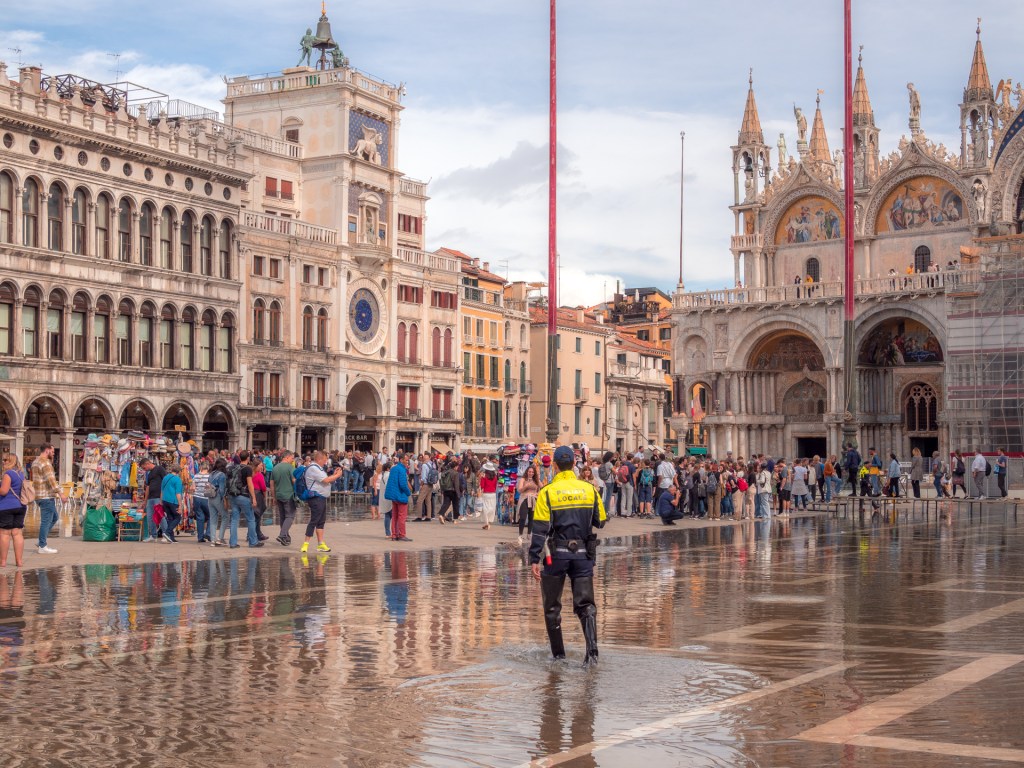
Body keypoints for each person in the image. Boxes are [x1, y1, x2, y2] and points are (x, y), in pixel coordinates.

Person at [529, 445, 607, 666]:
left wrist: (534, 558)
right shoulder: (589, 489)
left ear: (554, 465)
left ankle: (558, 656)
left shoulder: (548, 492)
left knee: (552, 606)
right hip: (583, 555)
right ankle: (592, 653)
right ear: (574, 464)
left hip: (556, 555)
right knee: (586, 605)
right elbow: (600, 520)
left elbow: (540, 529)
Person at [300, 450, 342, 554]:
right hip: (316, 498)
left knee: (321, 521)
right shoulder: (314, 468)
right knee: (314, 520)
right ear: (319, 459)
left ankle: (321, 543)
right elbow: (326, 480)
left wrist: (334, 474)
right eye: (325, 459)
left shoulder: (319, 468)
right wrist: (337, 475)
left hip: (321, 498)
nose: (326, 461)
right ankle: (305, 544)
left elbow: (326, 478)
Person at [30, 444, 66, 554]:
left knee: (54, 517)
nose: (54, 453)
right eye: (52, 451)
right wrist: (61, 494)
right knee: (46, 521)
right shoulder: (45, 462)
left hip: (38, 495)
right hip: (46, 496)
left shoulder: (35, 461)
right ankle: (42, 546)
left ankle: (41, 539)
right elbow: (51, 480)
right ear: (47, 450)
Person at [228, 450, 262, 549]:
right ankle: (253, 541)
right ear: (248, 458)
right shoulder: (247, 469)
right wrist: (254, 498)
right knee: (251, 519)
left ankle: (233, 543)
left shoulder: (233, 467)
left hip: (233, 495)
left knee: (234, 520)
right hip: (243, 496)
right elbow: (250, 484)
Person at [0, 453, 27, 567]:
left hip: (7, 506)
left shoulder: (8, 474)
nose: (3, 462)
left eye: (5, 460)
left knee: (4, 533)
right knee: (17, 534)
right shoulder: (20, 474)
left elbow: (4, 491)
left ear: (10, 461)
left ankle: (3, 561)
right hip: (20, 506)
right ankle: (19, 562)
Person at [269, 450, 296, 546]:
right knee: (290, 516)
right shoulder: (290, 468)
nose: (292, 460)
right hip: (288, 495)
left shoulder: (275, 468)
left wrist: (274, 497)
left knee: (282, 517)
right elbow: (294, 481)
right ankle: (282, 535)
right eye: (292, 458)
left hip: (279, 495)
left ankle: (285, 537)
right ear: (287, 457)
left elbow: (272, 484)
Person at [384, 451, 412, 541]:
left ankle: (394, 534)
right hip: (401, 495)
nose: (407, 462)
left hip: (393, 495)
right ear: (401, 460)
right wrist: (408, 493)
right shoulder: (402, 469)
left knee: (395, 515)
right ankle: (402, 534)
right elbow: (403, 484)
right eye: (406, 460)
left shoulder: (393, 468)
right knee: (402, 516)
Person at [140, 456, 164, 543]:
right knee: (150, 517)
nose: (144, 469)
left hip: (158, 497)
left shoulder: (159, 469)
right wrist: (145, 500)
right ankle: (153, 535)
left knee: (160, 516)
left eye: (144, 467)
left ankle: (166, 534)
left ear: (147, 463)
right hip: (150, 498)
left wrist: (162, 496)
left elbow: (165, 482)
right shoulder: (149, 474)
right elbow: (148, 487)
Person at [516, 464, 541, 545]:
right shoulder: (523, 479)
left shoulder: (536, 480)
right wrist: (525, 487)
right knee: (523, 517)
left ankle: (529, 534)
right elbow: (519, 490)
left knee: (531, 517)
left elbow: (542, 487)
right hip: (524, 498)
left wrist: (538, 493)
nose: (531, 473)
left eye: (532, 472)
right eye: (529, 472)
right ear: (527, 472)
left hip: (533, 499)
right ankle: (520, 534)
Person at [159, 465, 184, 543]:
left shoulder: (165, 478)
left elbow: (162, 490)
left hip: (165, 500)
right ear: (179, 471)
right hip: (173, 501)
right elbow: (178, 493)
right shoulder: (177, 479)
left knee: (170, 518)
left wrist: (161, 501)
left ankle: (171, 537)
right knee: (177, 517)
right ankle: (167, 532)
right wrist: (180, 505)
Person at [208, 458, 228, 546]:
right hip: (217, 497)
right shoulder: (222, 475)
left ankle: (212, 540)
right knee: (225, 516)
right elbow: (222, 489)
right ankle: (220, 538)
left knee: (213, 519)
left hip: (210, 497)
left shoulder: (211, 474)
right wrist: (224, 499)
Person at [192, 460, 212, 543]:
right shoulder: (210, 477)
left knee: (200, 517)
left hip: (196, 498)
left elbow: (192, 488)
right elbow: (210, 489)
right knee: (211, 516)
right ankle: (208, 533)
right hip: (206, 498)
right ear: (208, 467)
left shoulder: (195, 476)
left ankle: (200, 537)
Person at [415, 452, 437, 522]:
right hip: (431, 484)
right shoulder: (432, 464)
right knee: (428, 501)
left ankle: (419, 516)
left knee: (419, 501)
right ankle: (429, 516)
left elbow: (423, 477)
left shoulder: (424, 465)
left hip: (425, 484)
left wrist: (421, 485)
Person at [252, 462, 269, 542]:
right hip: (258, 494)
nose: (262, 467)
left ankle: (256, 533)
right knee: (257, 515)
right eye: (261, 465)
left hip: (250, 494)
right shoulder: (259, 475)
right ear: (256, 465)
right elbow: (263, 487)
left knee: (253, 515)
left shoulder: (250, 474)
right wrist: (265, 496)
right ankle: (256, 534)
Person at [479, 460, 499, 530]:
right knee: (491, 508)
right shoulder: (495, 477)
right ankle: (488, 523)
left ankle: (487, 523)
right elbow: (495, 485)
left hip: (486, 493)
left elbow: (482, 486)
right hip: (493, 494)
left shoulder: (484, 476)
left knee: (485, 508)